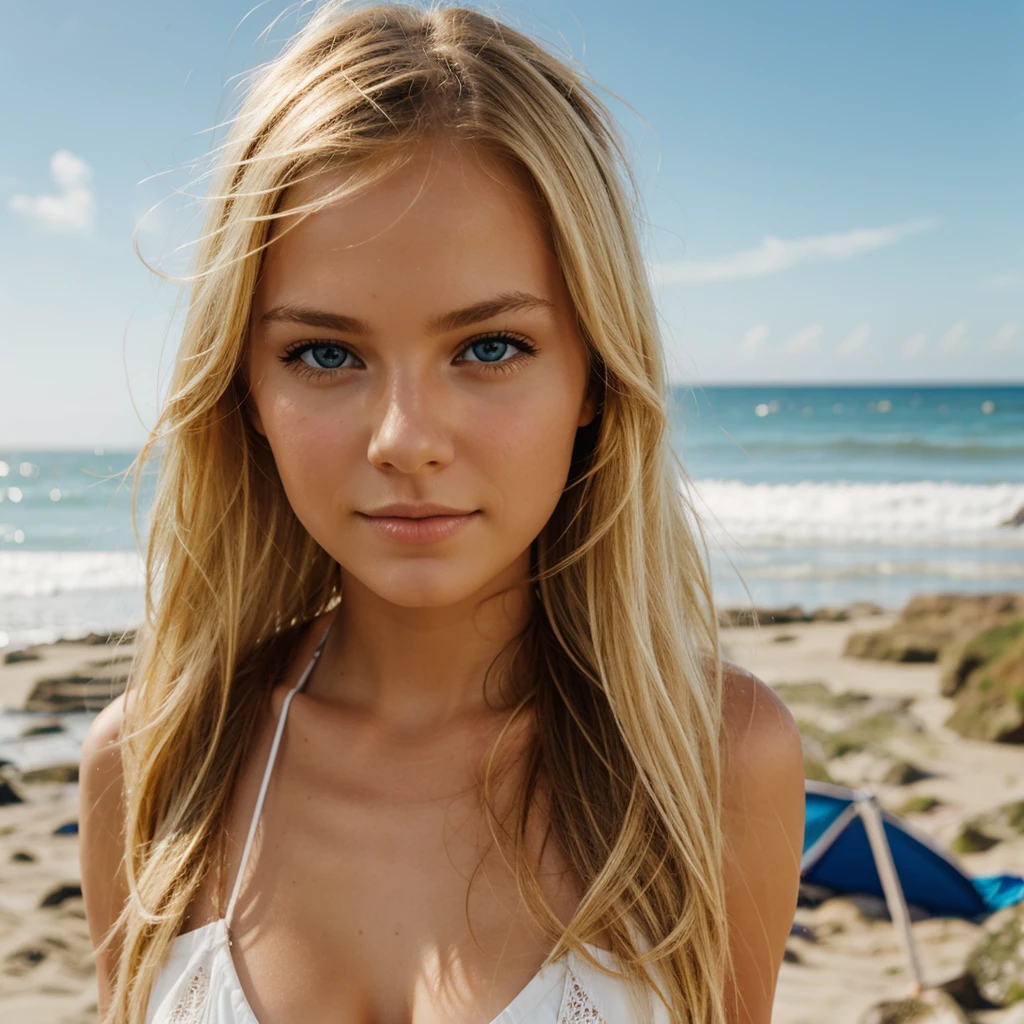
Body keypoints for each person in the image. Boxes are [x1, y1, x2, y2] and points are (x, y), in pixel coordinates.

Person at [79, 3, 805, 1022]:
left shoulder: (712, 762)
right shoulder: (153, 763)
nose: (404, 437)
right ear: (245, 388)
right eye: (324, 353)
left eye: (489, 347)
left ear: (593, 373)